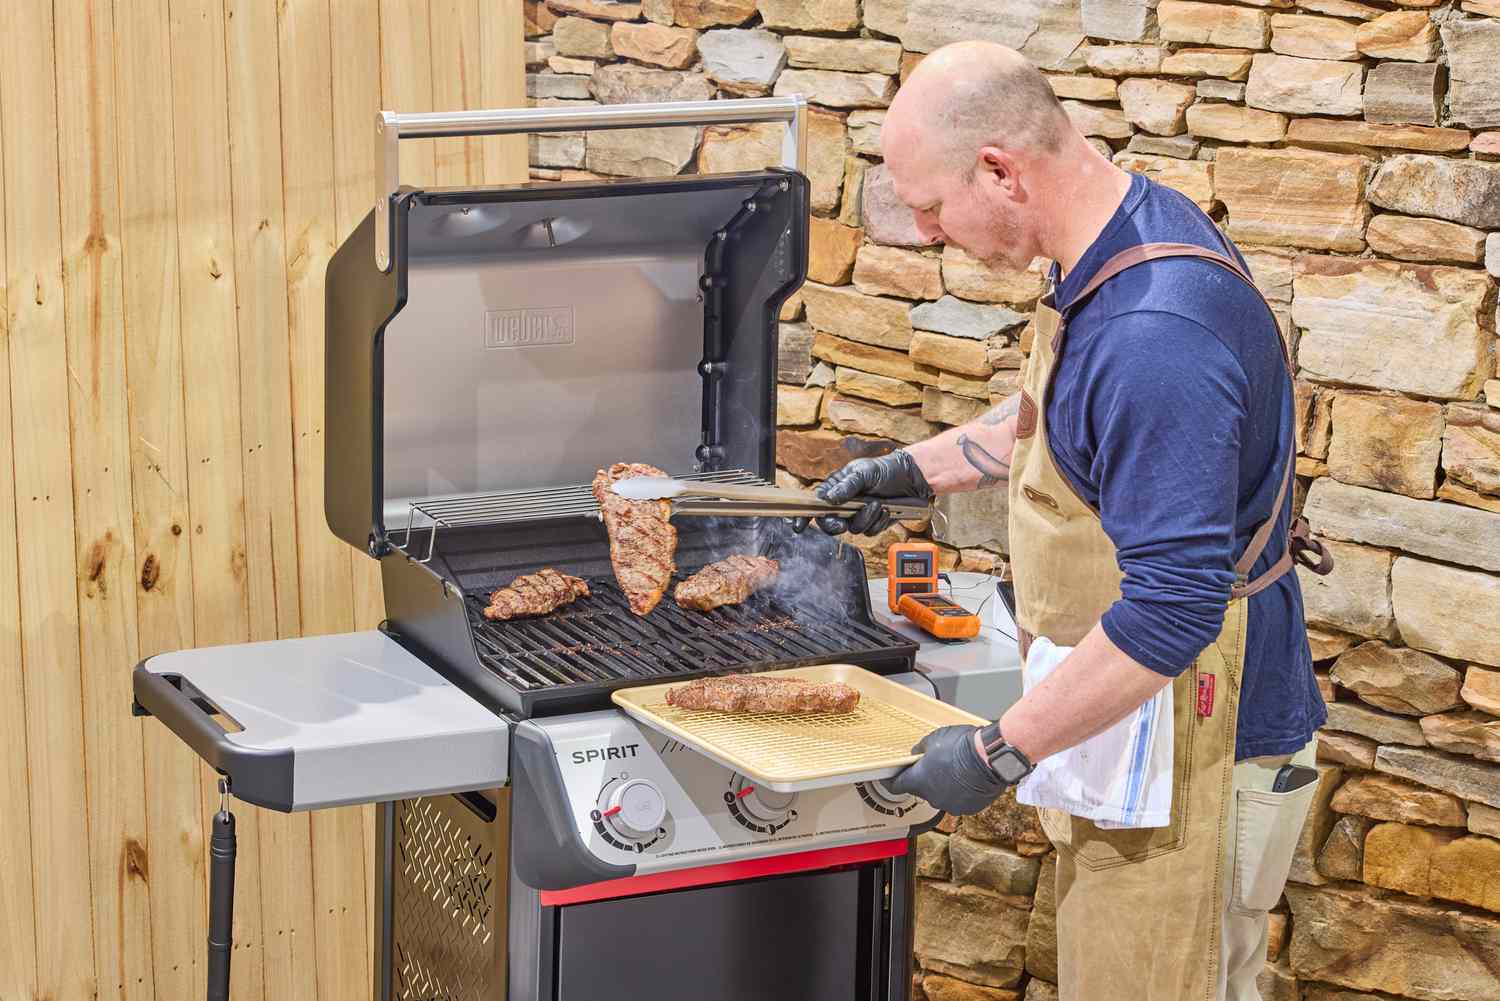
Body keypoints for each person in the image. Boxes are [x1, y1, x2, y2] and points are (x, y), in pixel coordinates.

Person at [809, 41, 1333, 1001]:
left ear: (1000, 171)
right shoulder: (1120, 234)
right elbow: (1061, 415)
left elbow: (1172, 613)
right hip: (1138, 731)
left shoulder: (1155, 336)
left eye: (932, 206)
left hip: (1198, 742)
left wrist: (994, 750)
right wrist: (912, 470)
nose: (925, 233)